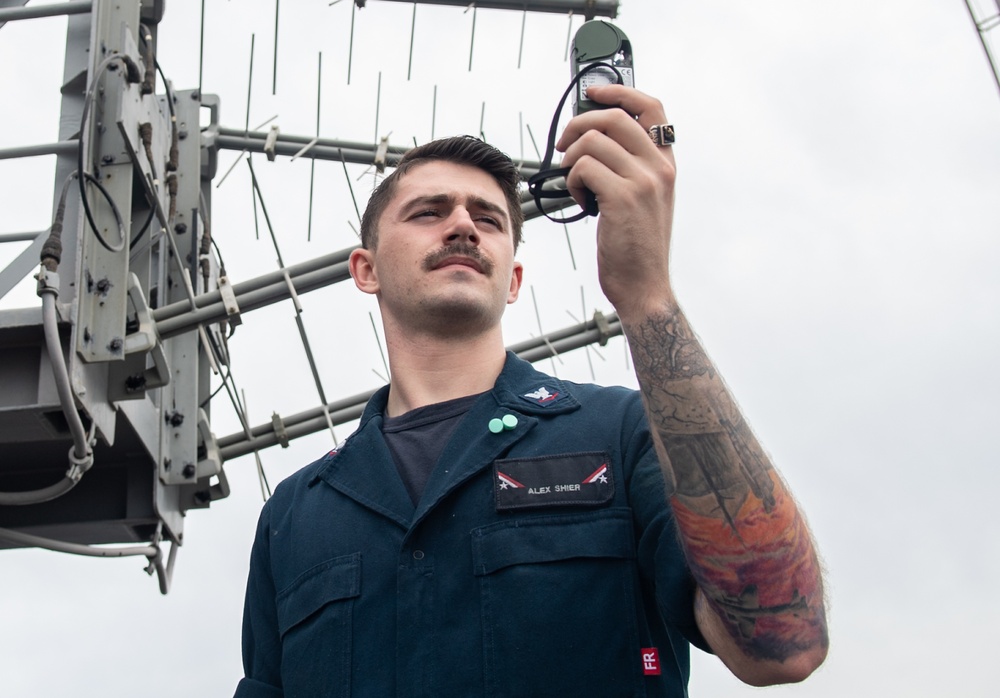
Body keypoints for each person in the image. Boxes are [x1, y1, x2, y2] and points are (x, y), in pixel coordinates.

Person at [235, 85, 828, 697]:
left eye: (488, 218)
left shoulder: (619, 437)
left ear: (513, 278)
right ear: (367, 269)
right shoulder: (295, 513)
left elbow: (782, 641)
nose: (463, 224)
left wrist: (647, 295)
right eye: (428, 212)